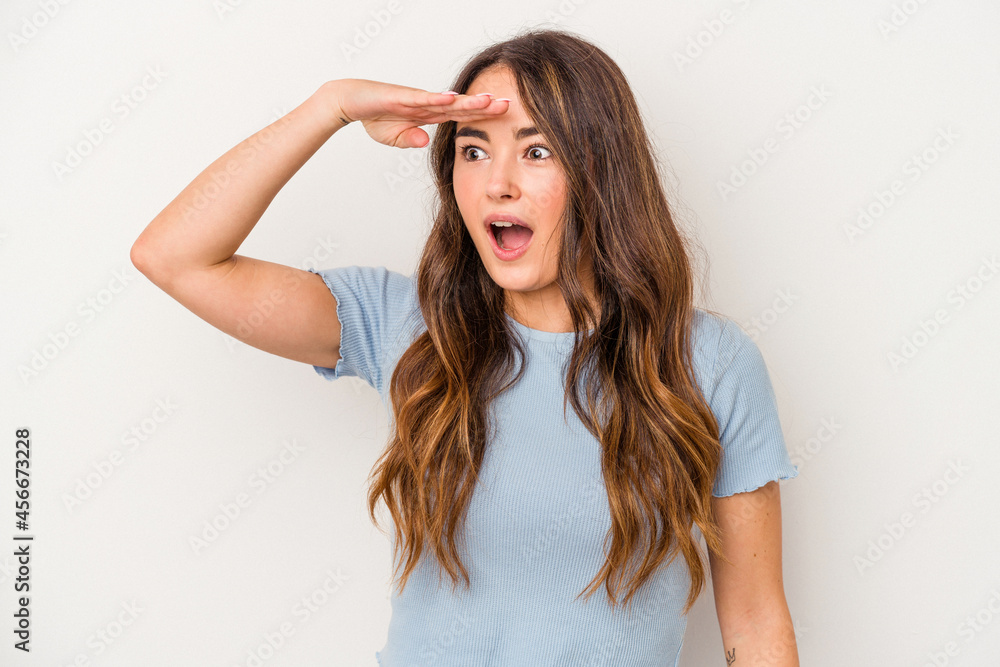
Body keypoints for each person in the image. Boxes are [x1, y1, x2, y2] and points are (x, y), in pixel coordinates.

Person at [131, 27, 800, 667]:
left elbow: (754, 621)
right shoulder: (406, 326)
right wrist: (327, 107)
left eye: (536, 151)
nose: (496, 182)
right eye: (472, 150)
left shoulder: (709, 364)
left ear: (602, 172)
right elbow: (174, 257)